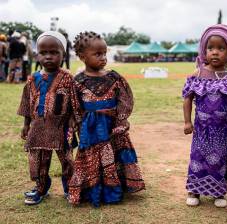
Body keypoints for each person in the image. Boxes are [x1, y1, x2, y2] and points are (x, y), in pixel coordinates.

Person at [68, 31, 145, 207]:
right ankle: (93, 190)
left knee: (115, 155)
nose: (103, 58)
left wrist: (121, 119)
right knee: (93, 158)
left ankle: (115, 190)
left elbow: (125, 99)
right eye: (97, 54)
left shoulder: (114, 77)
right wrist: (79, 124)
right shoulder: (78, 81)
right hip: (91, 129)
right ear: (82, 57)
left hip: (112, 125)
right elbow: (75, 106)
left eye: (104, 53)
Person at [182, 24, 227, 208]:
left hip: (222, 131)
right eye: (210, 48)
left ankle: (218, 192)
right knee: (198, 157)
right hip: (201, 129)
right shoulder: (197, 74)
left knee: (220, 159)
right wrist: (187, 121)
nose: (215, 52)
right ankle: (194, 190)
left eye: (221, 48)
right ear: (204, 50)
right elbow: (187, 98)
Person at [17, 31, 76, 205]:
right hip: (38, 128)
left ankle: (70, 188)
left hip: (62, 128)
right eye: (43, 53)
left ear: (63, 54)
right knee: (39, 161)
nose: (48, 57)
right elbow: (27, 103)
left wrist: (73, 121)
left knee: (67, 160)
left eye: (54, 52)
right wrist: (26, 124)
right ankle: (41, 188)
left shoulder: (68, 79)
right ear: (37, 55)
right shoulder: (32, 79)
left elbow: (74, 103)